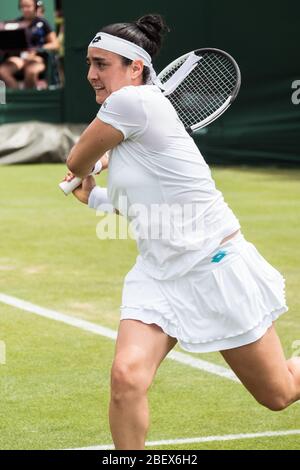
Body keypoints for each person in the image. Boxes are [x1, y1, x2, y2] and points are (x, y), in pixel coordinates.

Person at [63, 14, 300, 450]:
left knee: (279, 394)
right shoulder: (139, 112)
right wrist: (94, 197)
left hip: (214, 265)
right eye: (90, 63)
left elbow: (76, 160)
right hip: (158, 273)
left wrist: (83, 173)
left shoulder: (130, 104)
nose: (92, 74)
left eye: (102, 64)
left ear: (136, 68)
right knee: (126, 377)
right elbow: (144, 205)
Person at [0, 0, 59, 89]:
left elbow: (55, 44)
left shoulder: (43, 23)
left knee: (31, 71)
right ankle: (17, 96)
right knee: (2, 71)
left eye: (28, 6)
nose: (25, 9)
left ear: (35, 7)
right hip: (20, 59)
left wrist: (37, 49)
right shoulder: (16, 23)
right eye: (23, 6)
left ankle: (29, 97)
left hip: (37, 58)